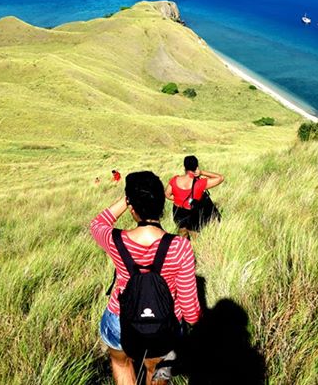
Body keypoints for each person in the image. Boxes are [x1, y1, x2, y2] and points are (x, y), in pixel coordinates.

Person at [91, 171, 201, 385]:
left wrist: (128, 199)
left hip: (120, 319)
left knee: (121, 363)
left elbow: (97, 224)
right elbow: (190, 311)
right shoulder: (180, 246)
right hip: (165, 324)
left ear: (132, 206)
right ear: (162, 203)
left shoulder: (115, 240)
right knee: (159, 370)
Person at [166, 155, 224, 238]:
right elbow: (220, 178)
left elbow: (167, 195)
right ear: (196, 167)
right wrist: (202, 172)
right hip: (192, 214)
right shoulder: (200, 183)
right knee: (195, 237)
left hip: (178, 212)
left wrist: (180, 199)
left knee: (182, 234)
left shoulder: (174, 180)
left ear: (184, 167)